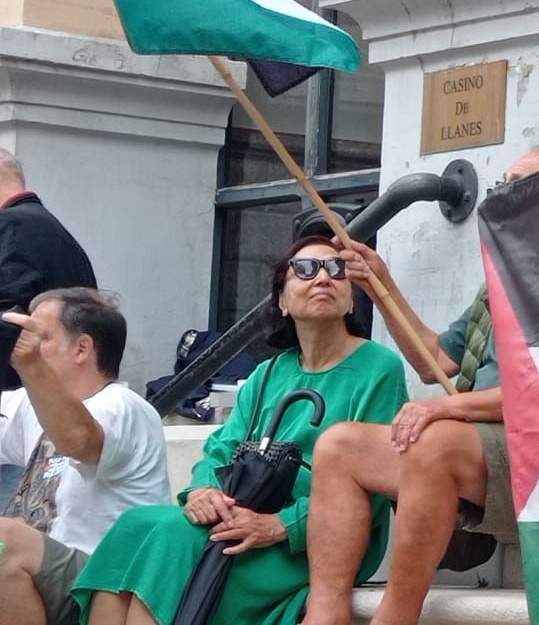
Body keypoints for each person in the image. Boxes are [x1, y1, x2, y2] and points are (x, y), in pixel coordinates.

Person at [298, 146, 539, 625]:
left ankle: (395, 617)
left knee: (436, 438)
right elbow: (435, 361)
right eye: (502, 181)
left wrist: (449, 409)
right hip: (479, 451)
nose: (502, 191)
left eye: (519, 181)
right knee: (339, 445)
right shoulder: (498, 283)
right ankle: (325, 614)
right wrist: (381, 285)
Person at [74, 241, 406, 625]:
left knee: (169, 537)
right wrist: (201, 491)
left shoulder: (379, 367)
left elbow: (377, 484)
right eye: (305, 268)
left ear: (351, 302)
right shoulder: (268, 373)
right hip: (242, 516)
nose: (321, 277)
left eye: (335, 270)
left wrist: (281, 526)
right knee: (138, 526)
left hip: (318, 540)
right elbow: (223, 448)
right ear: (282, 301)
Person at [0, 290, 167, 625]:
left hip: (103, 582)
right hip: (44, 575)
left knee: (6, 540)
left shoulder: (123, 406)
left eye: (41, 337)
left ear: (82, 349)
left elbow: (78, 441)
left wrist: (29, 363)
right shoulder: (30, 402)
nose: (28, 346)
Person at [0, 149, 99, 394]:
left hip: (22, 400)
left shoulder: (11, 225)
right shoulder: (52, 230)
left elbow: (7, 320)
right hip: (60, 395)